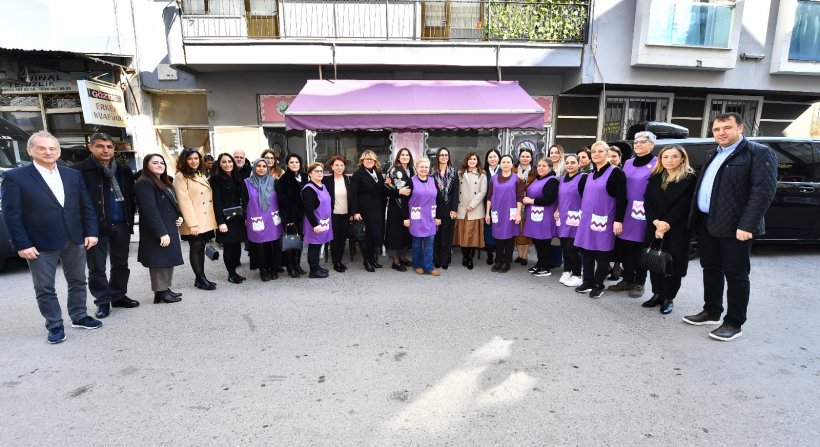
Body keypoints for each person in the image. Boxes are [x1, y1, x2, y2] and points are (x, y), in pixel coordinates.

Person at [683, 112, 777, 341]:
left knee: (736, 275)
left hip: (736, 227)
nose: (721, 133)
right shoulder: (713, 153)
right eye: (717, 129)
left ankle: (734, 323)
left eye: (727, 128)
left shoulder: (758, 153)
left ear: (740, 128)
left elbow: (762, 192)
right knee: (711, 269)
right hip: (707, 222)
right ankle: (712, 311)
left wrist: (747, 225)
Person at [1, 131, 101, 343]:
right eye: (42, 148)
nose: (48, 152)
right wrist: (22, 244)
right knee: (45, 287)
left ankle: (79, 316)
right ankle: (55, 325)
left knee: (78, 281)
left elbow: (86, 205)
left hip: (74, 238)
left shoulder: (72, 175)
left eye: (52, 148)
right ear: (30, 151)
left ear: (59, 151)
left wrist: (91, 232)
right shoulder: (15, 177)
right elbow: (11, 215)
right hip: (39, 243)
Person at [72, 132, 138, 319]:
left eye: (109, 147)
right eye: (100, 146)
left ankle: (118, 295)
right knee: (97, 267)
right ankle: (102, 301)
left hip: (121, 224)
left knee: (121, 263)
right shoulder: (79, 171)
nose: (105, 150)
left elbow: (130, 196)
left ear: (114, 149)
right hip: (95, 228)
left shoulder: (123, 170)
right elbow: (76, 202)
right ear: (90, 147)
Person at [641, 145, 697, 315]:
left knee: (674, 265)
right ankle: (657, 294)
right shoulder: (655, 177)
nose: (669, 160)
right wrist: (655, 222)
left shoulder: (690, 179)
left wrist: (665, 225)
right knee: (654, 260)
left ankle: (668, 298)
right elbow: (647, 202)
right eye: (665, 157)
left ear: (682, 158)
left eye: (674, 156)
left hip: (677, 228)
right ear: (660, 159)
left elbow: (684, 206)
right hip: (655, 226)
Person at [573, 141, 627, 298]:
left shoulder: (616, 173)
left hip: (605, 220)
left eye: (600, 151)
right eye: (594, 151)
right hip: (587, 220)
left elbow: (622, 199)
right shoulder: (590, 174)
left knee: (602, 255)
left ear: (607, 154)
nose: (596, 154)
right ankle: (588, 281)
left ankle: (598, 284)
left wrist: (618, 220)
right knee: (587, 252)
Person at [608, 132, 658, 299]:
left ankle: (639, 282)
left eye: (643, 142)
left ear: (652, 145)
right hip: (626, 211)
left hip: (644, 213)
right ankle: (628, 279)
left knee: (640, 248)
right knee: (626, 247)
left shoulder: (657, 163)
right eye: (636, 142)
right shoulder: (628, 163)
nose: (638, 144)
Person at [134, 154, 184, 305]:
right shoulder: (144, 183)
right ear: (146, 165)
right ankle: (161, 291)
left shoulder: (163, 181)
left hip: (168, 225)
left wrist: (179, 216)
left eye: (162, 162)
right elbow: (150, 210)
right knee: (159, 261)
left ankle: (164, 289)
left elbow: (172, 203)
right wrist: (162, 233)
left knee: (167, 259)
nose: (160, 165)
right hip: (157, 229)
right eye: (155, 163)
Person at [174, 149, 218, 291]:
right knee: (196, 247)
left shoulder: (199, 174)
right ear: (184, 160)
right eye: (190, 159)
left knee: (201, 248)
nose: (194, 161)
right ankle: (201, 279)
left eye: (196, 158)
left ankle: (200, 278)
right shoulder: (180, 176)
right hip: (194, 220)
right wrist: (192, 224)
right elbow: (183, 202)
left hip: (204, 219)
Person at [242, 158, 283, 281]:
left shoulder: (274, 181)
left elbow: (280, 199)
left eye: (264, 166)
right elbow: (244, 202)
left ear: (267, 168)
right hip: (256, 217)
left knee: (273, 244)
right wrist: (245, 217)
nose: (261, 168)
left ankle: (274, 268)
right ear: (254, 167)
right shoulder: (246, 183)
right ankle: (263, 270)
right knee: (260, 245)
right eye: (258, 166)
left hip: (272, 218)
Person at [210, 153, 247, 284]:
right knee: (229, 248)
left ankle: (235, 272)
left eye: (230, 161)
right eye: (224, 162)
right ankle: (231, 274)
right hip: (226, 219)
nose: (228, 164)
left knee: (237, 246)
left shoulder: (237, 177)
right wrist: (221, 222)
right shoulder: (216, 179)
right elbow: (217, 202)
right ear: (219, 164)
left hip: (238, 217)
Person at [485, 154, 525, 273]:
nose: (506, 164)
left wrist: (518, 214)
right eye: (503, 162)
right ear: (500, 164)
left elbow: (519, 198)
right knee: (498, 238)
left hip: (511, 212)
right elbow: (489, 197)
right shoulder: (493, 178)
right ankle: (498, 261)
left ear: (512, 164)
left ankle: (507, 262)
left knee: (509, 238)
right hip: (497, 212)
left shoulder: (517, 179)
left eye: (508, 162)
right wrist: (487, 213)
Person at [403, 158, 443, 276]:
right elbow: (404, 200)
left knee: (429, 244)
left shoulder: (433, 181)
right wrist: (406, 218)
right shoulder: (410, 181)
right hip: (416, 218)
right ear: (416, 168)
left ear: (429, 169)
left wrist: (438, 217)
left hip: (430, 217)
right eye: (421, 166)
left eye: (426, 167)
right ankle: (417, 265)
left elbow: (439, 199)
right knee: (417, 244)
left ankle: (429, 267)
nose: (424, 169)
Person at [350, 150, 386, 272]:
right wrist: (355, 212)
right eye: (367, 159)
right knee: (365, 237)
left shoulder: (378, 173)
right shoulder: (358, 174)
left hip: (377, 209)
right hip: (364, 210)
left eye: (371, 159)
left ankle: (372, 259)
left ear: (375, 161)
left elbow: (383, 190)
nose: (369, 161)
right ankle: (367, 261)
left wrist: (397, 192)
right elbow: (353, 195)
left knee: (374, 236)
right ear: (362, 161)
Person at [522, 158, 559, 277]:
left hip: (545, 217)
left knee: (544, 242)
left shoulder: (552, 180)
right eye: (539, 165)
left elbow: (549, 199)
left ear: (550, 168)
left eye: (544, 166)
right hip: (534, 216)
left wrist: (531, 201)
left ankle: (545, 267)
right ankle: (540, 263)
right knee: (537, 242)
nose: (541, 168)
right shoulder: (538, 179)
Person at [555, 154, 585, 287]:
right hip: (563, 217)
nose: (569, 165)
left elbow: (587, 198)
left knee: (572, 247)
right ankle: (567, 270)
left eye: (573, 162)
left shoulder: (583, 178)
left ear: (579, 164)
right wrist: (556, 209)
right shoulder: (562, 179)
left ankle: (577, 274)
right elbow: (560, 197)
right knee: (564, 246)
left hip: (576, 218)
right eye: (567, 163)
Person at [455, 151, 487, 270]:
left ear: (477, 161)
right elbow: (456, 190)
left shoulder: (482, 174)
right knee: (462, 234)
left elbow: (483, 192)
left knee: (472, 235)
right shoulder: (459, 173)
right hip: (461, 208)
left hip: (475, 209)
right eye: (470, 159)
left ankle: (470, 258)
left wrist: (472, 205)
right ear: (466, 161)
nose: (472, 161)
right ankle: (465, 255)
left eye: (474, 159)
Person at [384, 148, 414, 271]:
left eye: (407, 155)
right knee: (395, 234)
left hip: (408, 206)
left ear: (410, 157)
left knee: (405, 233)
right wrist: (399, 191)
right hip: (396, 207)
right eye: (402, 155)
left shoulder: (412, 170)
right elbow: (386, 188)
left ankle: (402, 257)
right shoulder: (393, 170)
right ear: (398, 157)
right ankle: (395, 262)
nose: (405, 157)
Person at [301, 162, 333, 278]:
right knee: (314, 246)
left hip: (324, 222)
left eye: (321, 171)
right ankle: (313, 271)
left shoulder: (323, 185)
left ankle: (317, 266)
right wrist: (315, 224)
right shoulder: (309, 189)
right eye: (316, 171)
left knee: (319, 245)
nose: (319, 173)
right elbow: (308, 209)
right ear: (310, 174)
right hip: (314, 223)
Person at [323, 155, 354, 273]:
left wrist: (352, 213)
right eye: (336, 165)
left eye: (341, 165)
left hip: (346, 215)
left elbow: (353, 198)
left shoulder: (349, 179)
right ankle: (336, 263)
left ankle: (339, 260)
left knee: (342, 239)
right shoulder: (326, 180)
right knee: (334, 240)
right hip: (333, 215)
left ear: (344, 167)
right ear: (332, 167)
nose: (339, 167)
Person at [432, 147, 459, 269]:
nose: (444, 157)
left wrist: (454, 209)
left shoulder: (454, 172)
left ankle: (445, 260)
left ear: (448, 157)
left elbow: (455, 192)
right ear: (438, 157)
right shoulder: (432, 173)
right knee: (436, 236)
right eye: (441, 155)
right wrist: (435, 213)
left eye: (446, 155)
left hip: (449, 210)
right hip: (436, 208)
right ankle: (436, 259)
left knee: (447, 236)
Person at [513, 148, 536, 267]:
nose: (525, 158)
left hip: (528, 202)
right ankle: (519, 254)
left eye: (528, 156)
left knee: (525, 229)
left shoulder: (535, 171)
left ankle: (524, 255)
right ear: (519, 157)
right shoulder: (513, 169)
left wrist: (524, 180)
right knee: (517, 229)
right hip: (514, 202)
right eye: (523, 156)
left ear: (531, 158)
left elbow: (535, 186)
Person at [483, 149, 501, 265]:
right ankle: (489, 254)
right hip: (486, 204)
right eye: (490, 157)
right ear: (487, 159)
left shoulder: (504, 170)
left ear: (499, 158)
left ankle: (499, 254)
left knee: (500, 228)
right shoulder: (483, 172)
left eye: (495, 156)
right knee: (488, 229)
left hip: (501, 205)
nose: (492, 159)